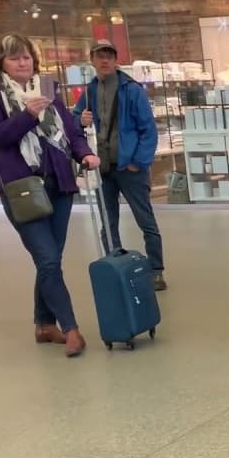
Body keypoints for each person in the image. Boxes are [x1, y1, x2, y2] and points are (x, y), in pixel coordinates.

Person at [0, 33, 99, 357]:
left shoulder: (47, 88)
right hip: (21, 187)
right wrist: (27, 115)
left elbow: (70, 131)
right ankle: (71, 328)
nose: (23, 62)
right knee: (47, 258)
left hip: (59, 183)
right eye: (15, 57)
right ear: (1, 61)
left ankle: (43, 325)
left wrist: (84, 153)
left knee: (50, 260)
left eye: (27, 56)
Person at [73, 39, 167, 292]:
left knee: (145, 220)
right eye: (99, 56)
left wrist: (138, 162)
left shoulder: (131, 89)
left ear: (115, 60)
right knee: (108, 221)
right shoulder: (90, 91)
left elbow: (148, 130)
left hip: (129, 168)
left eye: (109, 56)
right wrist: (80, 120)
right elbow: (74, 122)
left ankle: (156, 270)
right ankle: (115, 265)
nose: (104, 60)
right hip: (103, 169)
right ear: (92, 60)